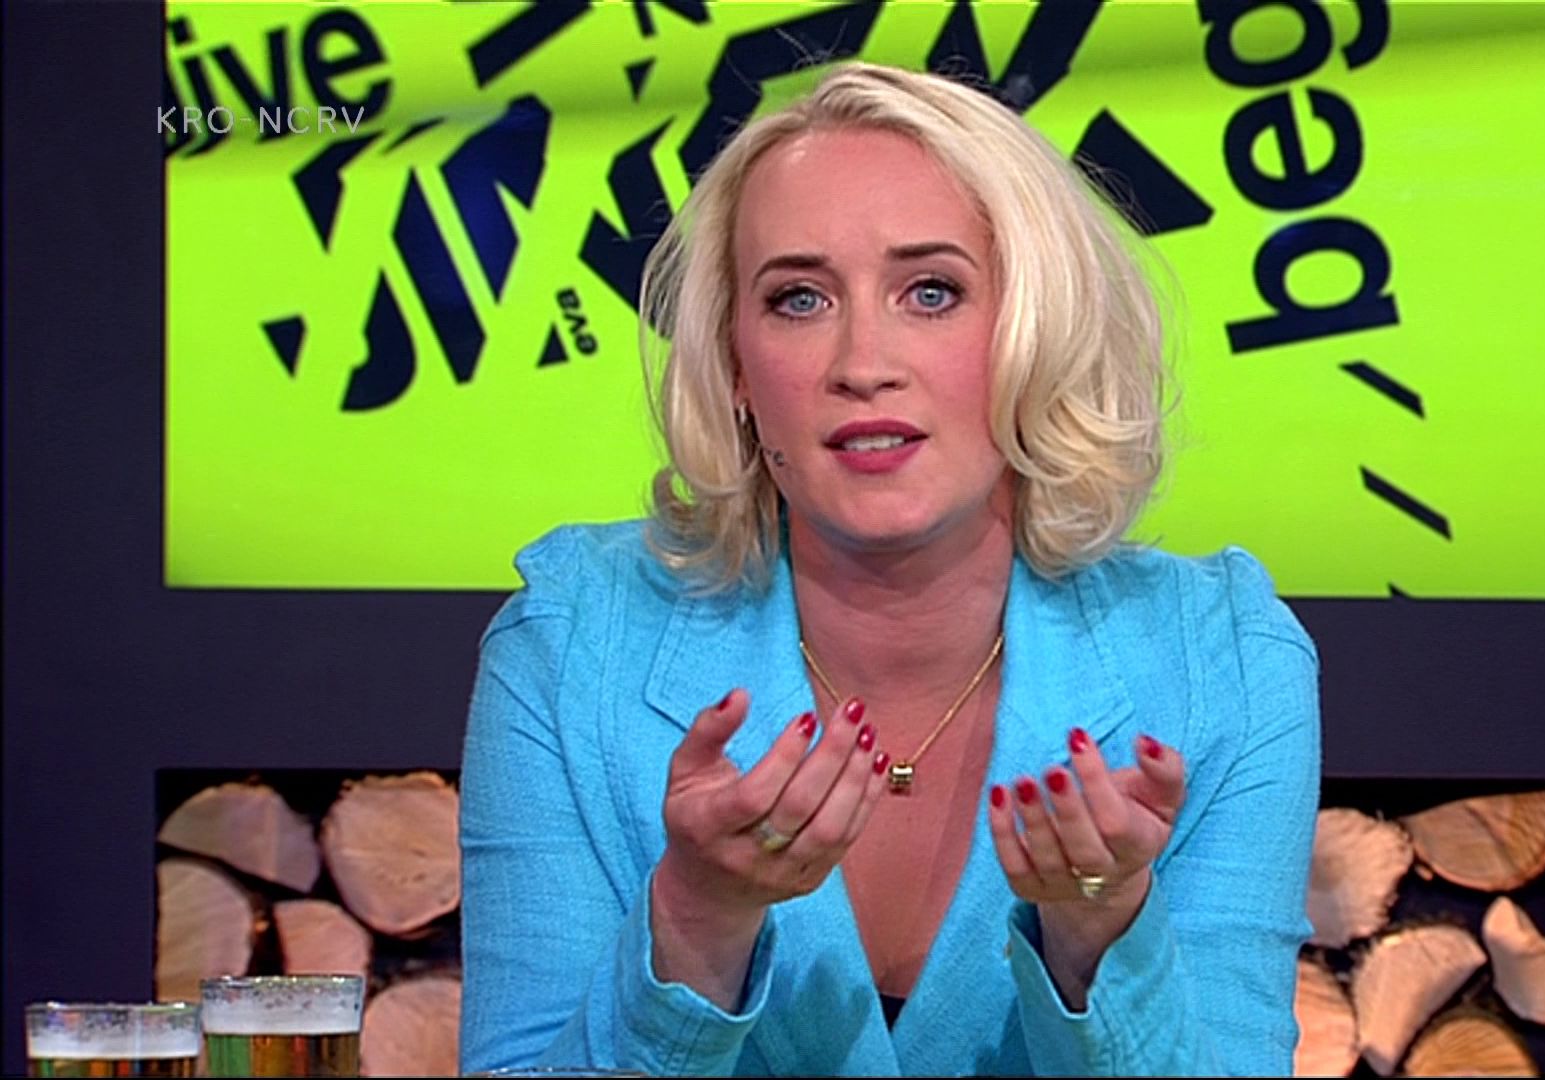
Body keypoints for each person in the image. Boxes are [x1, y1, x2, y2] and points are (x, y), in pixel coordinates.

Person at [458, 61, 1320, 1077]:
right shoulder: (571, 643)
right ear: (735, 366)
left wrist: (1100, 938)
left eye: (931, 292)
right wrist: (696, 918)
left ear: (1035, 328)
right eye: (798, 299)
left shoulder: (1224, 661)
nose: (863, 363)